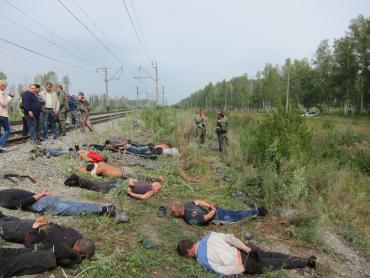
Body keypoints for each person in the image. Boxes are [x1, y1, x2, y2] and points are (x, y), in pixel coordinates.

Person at [177, 232, 316, 275]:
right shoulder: (209, 235)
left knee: (279, 263)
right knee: (273, 255)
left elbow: (220, 270)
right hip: (245, 250)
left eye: (188, 255)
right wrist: (246, 248)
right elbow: (230, 238)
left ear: (188, 252)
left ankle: (307, 262)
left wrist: (241, 269)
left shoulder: (201, 259)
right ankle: (305, 260)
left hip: (245, 263)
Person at [0, 212, 95, 267]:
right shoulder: (61, 246)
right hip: (24, 231)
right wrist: (33, 229)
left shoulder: (77, 235)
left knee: (4, 219)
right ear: (78, 250)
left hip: (33, 223)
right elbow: (32, 247)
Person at [0, 188, 128, 220]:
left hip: (41, 204)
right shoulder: (5, 192)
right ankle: (106, 208)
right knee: (77, 205)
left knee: (74, 210)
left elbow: (24, 202)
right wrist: (42, 193)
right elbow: (24, 194)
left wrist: (40, 194)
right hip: (46, 199)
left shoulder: (4, 201)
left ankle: (104, 210)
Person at [171, 200, 268, 225]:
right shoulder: (188, 205)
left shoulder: (189, 218)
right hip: (214, 211)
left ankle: (258, 212)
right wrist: (209, 206)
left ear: (178, 212)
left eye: (173, 212)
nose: (172, 214)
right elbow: (198, 201)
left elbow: (207, 218)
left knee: (237, 217)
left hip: (217, 217)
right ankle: (256, 211)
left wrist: (212, 209)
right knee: (236, 213)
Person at [0, 80, 15, 150]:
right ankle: (1, 145)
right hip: (2, 114)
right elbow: (3, 104)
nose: (5, 88)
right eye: (5, 86)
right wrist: (9, 97)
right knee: (7, 130)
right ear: (1, 85)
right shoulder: (1, 92)